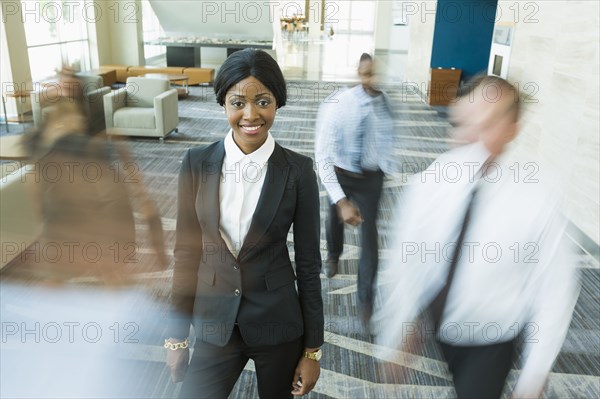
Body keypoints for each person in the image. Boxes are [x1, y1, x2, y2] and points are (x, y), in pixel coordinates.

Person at [373, 75, 580, 398]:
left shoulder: (536, 198)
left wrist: (535, 374)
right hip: (434, 319)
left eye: (484, 126)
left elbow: (554, 289)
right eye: (461, 124)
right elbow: (406, 260)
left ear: (512, 129)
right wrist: (400, 332)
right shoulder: (431, 182)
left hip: (490, 337)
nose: (467, 138)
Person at [165, 49, 324, 398]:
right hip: (213, 322)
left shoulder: (297, 171)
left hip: (278, 324)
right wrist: (176, 338)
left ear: (277, 104)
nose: (250, 115)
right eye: (238, 102)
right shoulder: (196, 162)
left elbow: (310, 264)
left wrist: (313, 350)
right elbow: (186, 253)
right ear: (223, 104)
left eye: (263, 101)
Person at [315, 53, 397, 324]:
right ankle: (333, 254)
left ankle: (366, 302)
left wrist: (384, 168)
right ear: (358, 73)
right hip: (341, 172)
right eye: (366, 73)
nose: (371, 79)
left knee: (370, 238)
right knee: (334, 218)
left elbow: (387, 140)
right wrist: (341, 201)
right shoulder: (339, 104)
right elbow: (322, 156)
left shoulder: (386, 105)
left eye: (376, 74)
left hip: (371, 178)